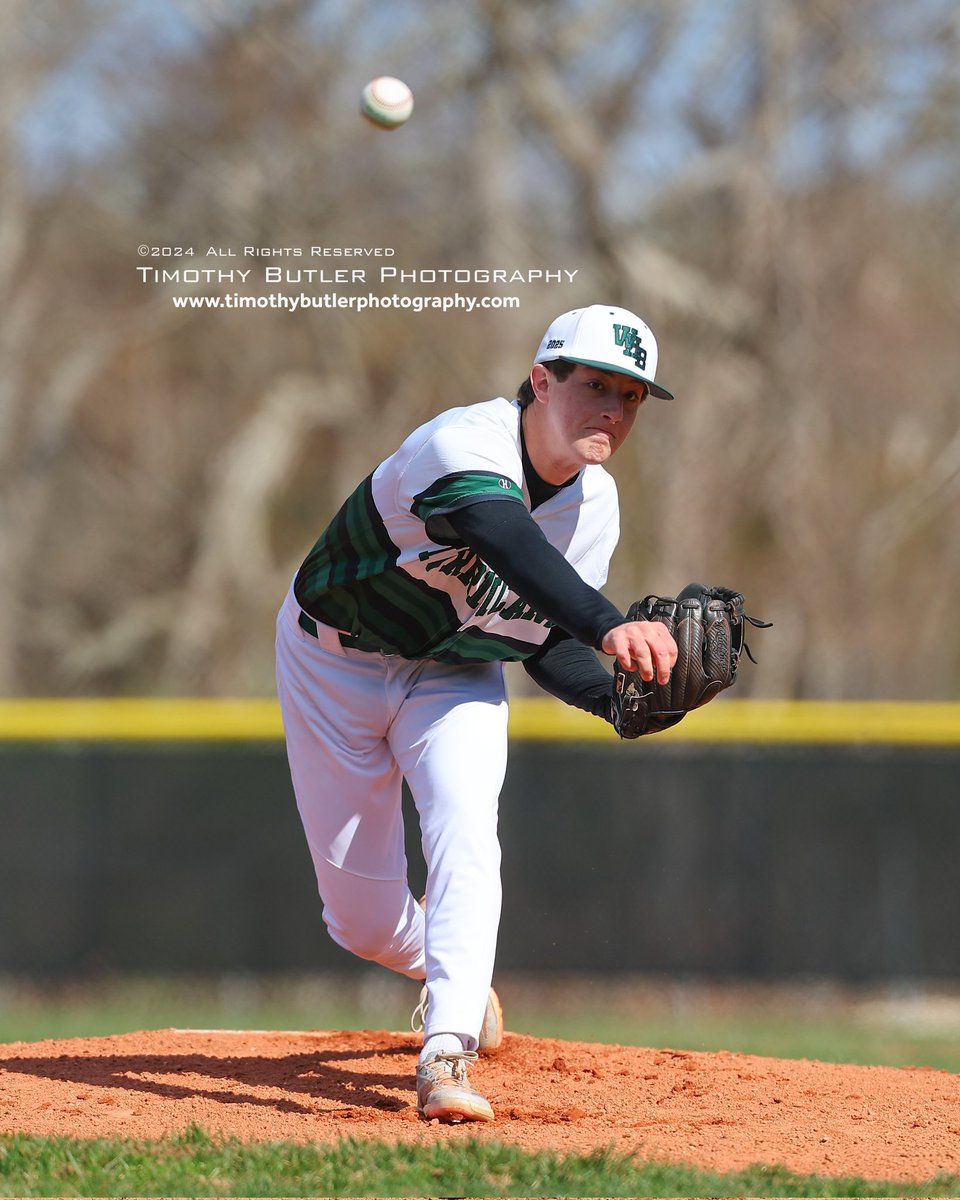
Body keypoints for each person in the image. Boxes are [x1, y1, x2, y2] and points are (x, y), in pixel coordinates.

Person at [275, 304, 678, 1123]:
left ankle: (446, 1048)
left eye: (631, 396)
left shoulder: (595, 506)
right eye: (595, 385)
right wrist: (610, 625)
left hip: (454, 672)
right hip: (333, 660)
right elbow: (502, 536)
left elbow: (539, 635)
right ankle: (446, 966)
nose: (612, 410)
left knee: (466, 825)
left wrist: (613, 699)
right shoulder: (463, 441)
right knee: (361, 923)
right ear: (541, 381)